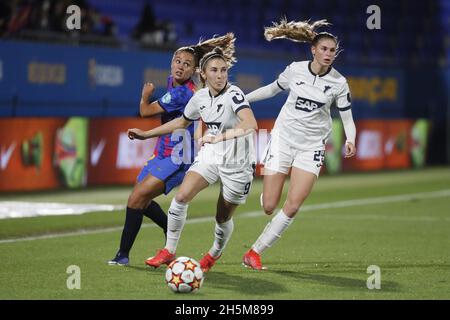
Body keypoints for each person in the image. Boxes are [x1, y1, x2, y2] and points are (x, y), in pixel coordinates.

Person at [108, 33, 237, 266]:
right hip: (162, 153)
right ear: (171, 62)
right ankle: (170, 233)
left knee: (136, 199)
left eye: (187, 64)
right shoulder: (173, 84)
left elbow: (146, 111)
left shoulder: (183, 93)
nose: (180, 67)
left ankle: (123, 255)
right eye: (178, 61)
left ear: (194, 71)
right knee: (142, 201)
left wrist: (145, 96)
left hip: (178, 158)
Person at [127, 46, 258, 273]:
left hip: (237, 163)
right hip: (211, 156)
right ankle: (169, 251)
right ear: (204, 74)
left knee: (222, 217)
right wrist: (146, 134)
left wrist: (220, 137)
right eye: (214, 71)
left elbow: (250, 124)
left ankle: (214, 253)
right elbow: (180, 122)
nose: (220, 75)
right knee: (181, 196)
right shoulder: (199, 98)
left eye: (224, 70)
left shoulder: (234, 94)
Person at [241, 18, 357, 270]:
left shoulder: (339, 82)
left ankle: (255, 252)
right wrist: (241, 100)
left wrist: (350, 139)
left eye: (332, 50)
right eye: (324, 49)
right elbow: (272, 89)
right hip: (283, 139)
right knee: (270, 206)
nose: (328, 54)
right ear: (313, 50)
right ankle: (268, 196)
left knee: (293, 205)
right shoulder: (295, 70)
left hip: (312, 147)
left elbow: (347, 116)